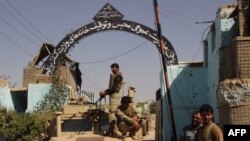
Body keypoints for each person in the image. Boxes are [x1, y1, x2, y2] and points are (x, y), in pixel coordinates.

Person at [99, 63, 123, 137]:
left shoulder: (118, 77)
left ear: (117, 68)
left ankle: (116, 133)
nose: (112, 69)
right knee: (111, 114)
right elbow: (111, 89)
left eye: (114, 68)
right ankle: (110, 131)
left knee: (112, 115)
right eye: (111, 68)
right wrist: (104, 93)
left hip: (114, 97)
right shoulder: (114, 76)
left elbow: (113, 89)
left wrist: (105, 92)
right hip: (112, 96)